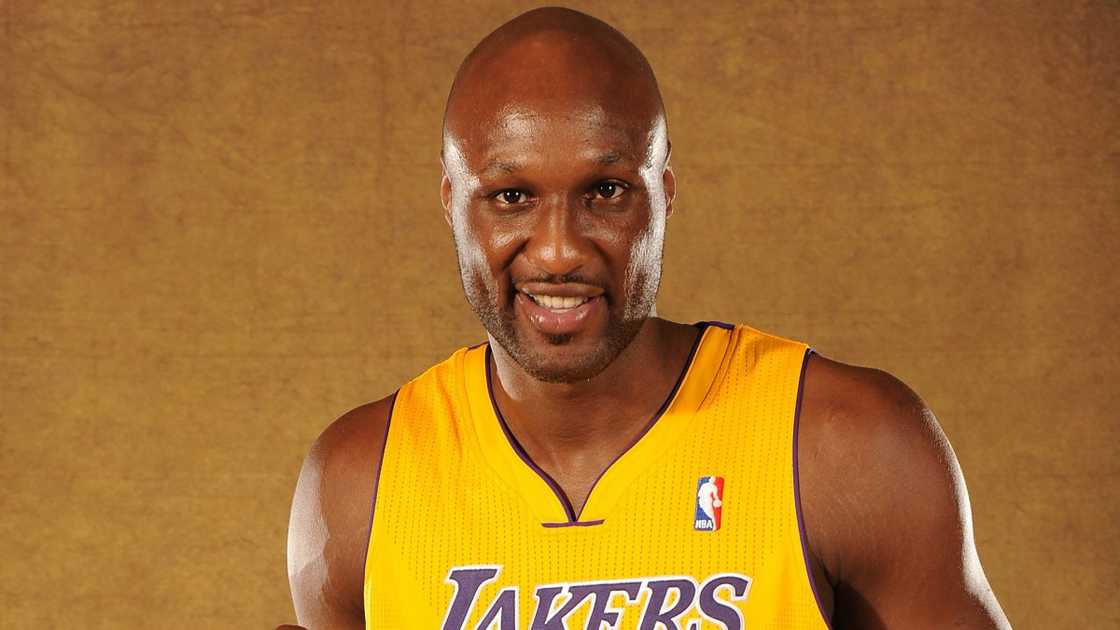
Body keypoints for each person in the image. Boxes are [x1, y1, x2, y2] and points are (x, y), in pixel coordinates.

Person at [279, 7, 1011, 629]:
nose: (559, 250)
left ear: (663, 193)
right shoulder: (359, 482)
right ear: (451, 202)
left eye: (604, 191)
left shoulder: (847, 446)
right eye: (511, 198)